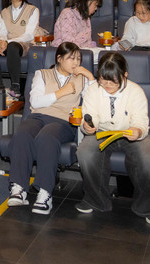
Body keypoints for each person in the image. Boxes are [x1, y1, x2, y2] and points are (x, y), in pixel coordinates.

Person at [7, 42, 93, 213]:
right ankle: (19, 188)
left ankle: (45, 193)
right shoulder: (42, 74)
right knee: (22, 134)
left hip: (63, 121)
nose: (76, 62)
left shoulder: (82, 79)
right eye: (71, 58)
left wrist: (89, 76)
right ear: (59, 59)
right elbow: (35, 102)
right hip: (38, 116)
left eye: (78, 59)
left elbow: (94, 100)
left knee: (46, 137)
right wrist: (62, 92)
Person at [75, 52, 150, 225]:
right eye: (103, 80)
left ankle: (146, 206)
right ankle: (96, 200)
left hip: (130, 132)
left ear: (124, 75)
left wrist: (138, 131)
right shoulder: (93, 90)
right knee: (85, 152)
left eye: (113, 81)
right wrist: (88, 127)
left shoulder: (135, 91)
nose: (107, 85)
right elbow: (90, 116)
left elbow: (141, 121)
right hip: (103, 131)